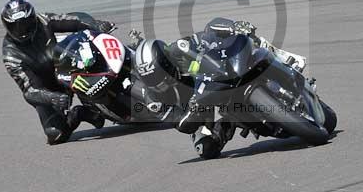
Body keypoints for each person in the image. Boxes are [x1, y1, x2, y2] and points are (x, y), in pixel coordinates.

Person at [130, 17, 307, 157]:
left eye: (159, 77)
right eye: (152, 80)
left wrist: (230, 28)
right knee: (206, 148)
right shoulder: (153, 100)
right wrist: (192, 111)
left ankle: (284, 59)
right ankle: (229, 122)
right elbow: (182, 125)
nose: (159, 84)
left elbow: (208, 34)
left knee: (250, 41)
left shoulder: (180, 49)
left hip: (215, 79)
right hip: (199, 111)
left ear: (166, 62)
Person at [1, 0, 116, 145]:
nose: (22, 30)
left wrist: (95, 24)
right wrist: (52, 97)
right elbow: (29, 91)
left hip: (65, 68)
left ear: (33, 18)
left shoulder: (43, 21)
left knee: (90, 55)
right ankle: (82, 113)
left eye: (25, 24)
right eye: (16, 27)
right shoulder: (11, 56)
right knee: (55, 135)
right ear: (7, 27)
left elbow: (73, 18)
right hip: (46, 89)